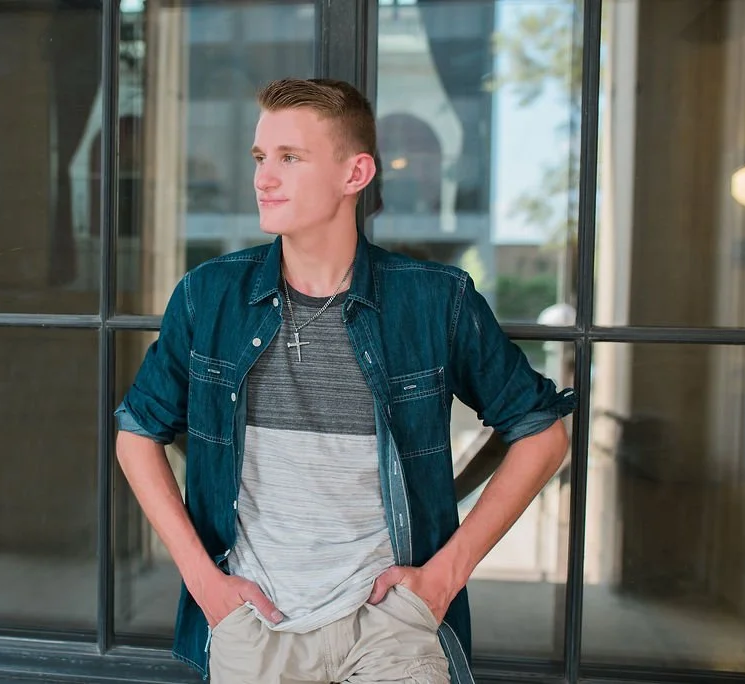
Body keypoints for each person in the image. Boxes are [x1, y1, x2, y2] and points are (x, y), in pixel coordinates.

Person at [114, 77, 576, 684]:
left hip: (390, 631)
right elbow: (137, 433)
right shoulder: (209, 295)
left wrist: (440, 582)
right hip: (255, 630)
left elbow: (542, 434)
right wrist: (206, 586)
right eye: (260, 157)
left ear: (355, 174)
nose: (263, 178)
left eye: (290, 158)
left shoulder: (434, 300)